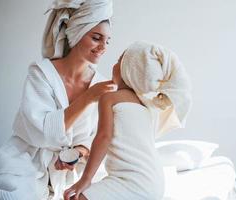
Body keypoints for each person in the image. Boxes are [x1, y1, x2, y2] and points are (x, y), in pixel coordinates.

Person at [0, 0, 115, 199]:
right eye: (96, 38)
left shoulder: (100, 83)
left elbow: (98, 135)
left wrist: (79, 151)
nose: (103, 46)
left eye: (107, 41)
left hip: (71, 172)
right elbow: (42, 133)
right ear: (77, 32)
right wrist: (87, 97)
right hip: (28, 162)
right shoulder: (41, 73)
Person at [63, 41, 192, 200]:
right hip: (156, 182)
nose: (114, 64)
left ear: (129, 69)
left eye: (119, 61)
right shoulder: (148, 107)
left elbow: (103, 137)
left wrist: (85, 179)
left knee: (76, 197)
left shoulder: (110, 98)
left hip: (132, 181)